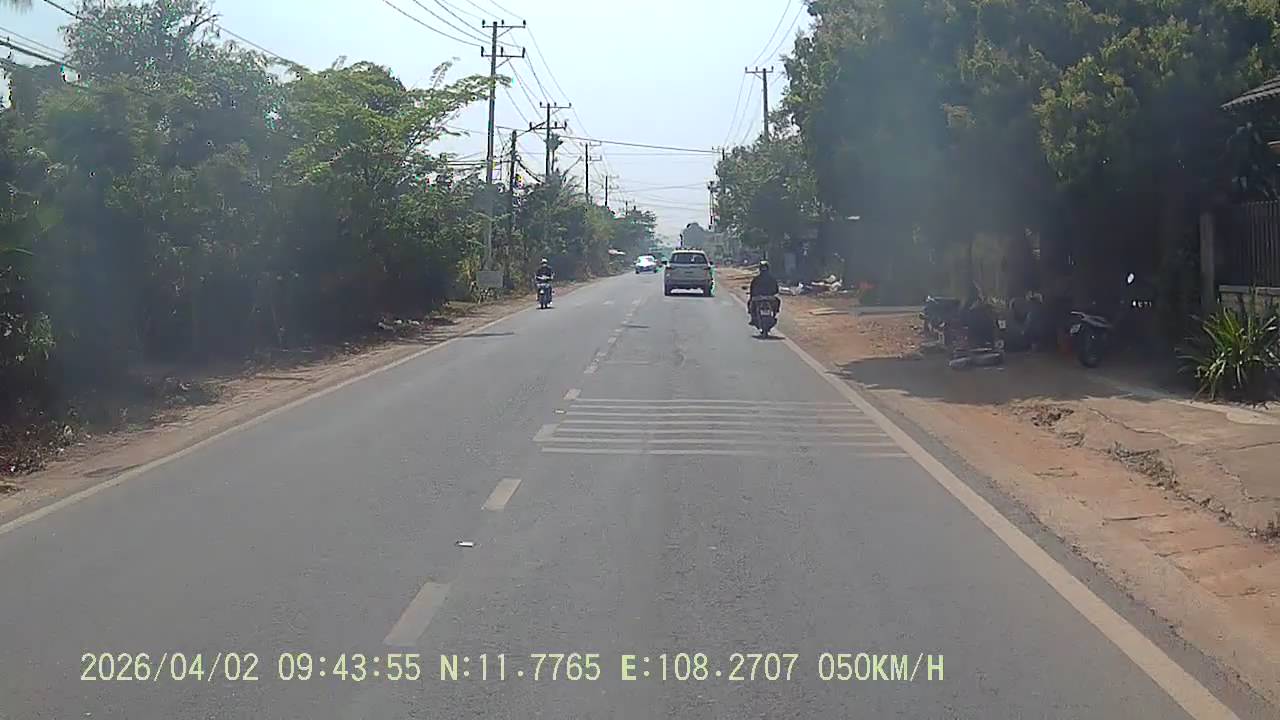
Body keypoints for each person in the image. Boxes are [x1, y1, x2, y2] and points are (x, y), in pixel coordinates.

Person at [748, 260, 780, 325]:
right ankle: (774, 314)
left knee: (750, 303)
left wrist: (752, 296)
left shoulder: (756, 279)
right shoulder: (772, 278)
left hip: (758, 297)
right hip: (770, 297)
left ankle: (753, 318)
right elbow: (776, 289)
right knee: (778, 301)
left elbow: (752, 289)